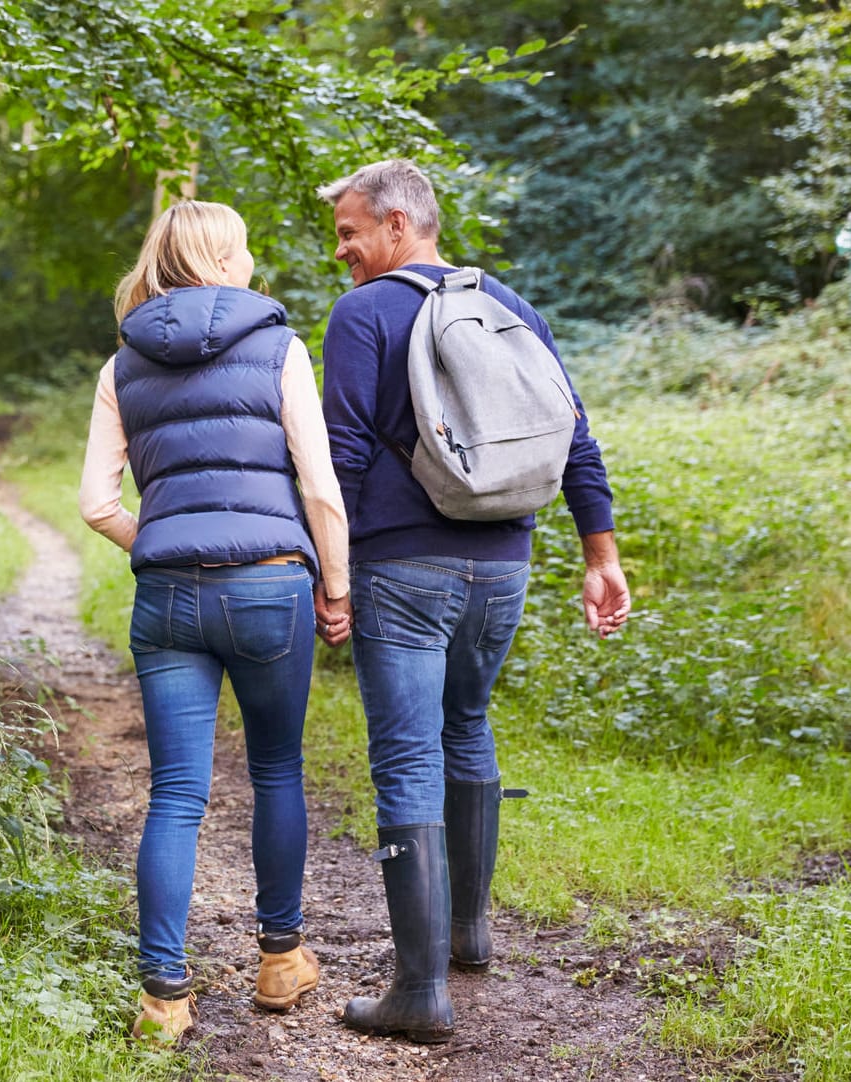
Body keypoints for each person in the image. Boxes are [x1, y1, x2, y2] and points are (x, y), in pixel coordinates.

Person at [313, 159, 631, 1044]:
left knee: (405, 755)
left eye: (349, 233)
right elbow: (574, 436)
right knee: (467, 724)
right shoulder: (507, 306)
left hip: (401, 569)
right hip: (503, 565)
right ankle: (467, 937)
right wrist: (597, 555)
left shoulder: (363, 313)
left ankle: (417, 993)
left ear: (398, 225)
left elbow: (338, 455)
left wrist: (325, 576)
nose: (341, 252)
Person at [79, 199, 352, 1042]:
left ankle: (162, 998)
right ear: (229, 258)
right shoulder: (277, 345)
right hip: (269, 586)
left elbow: (95, 504)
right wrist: (333, 585)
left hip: (166, 598)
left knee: (176, 794)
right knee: (274, 769)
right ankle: (279, 961)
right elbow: (318, 486)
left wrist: (154, 540)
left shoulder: (122, 363)